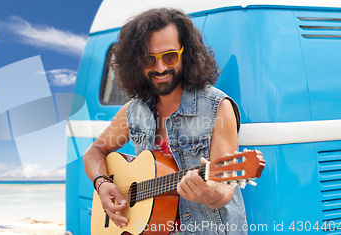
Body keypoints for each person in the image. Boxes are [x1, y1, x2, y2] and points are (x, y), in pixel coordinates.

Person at [83, 8, 251, 235]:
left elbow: (225, 190)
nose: (160, 67)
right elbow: (94, 152)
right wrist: (102, 184)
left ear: (187, 53)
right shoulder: (133, 111)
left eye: (169, 56)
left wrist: (208, 193)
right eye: (148, 59)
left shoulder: (217, 107)